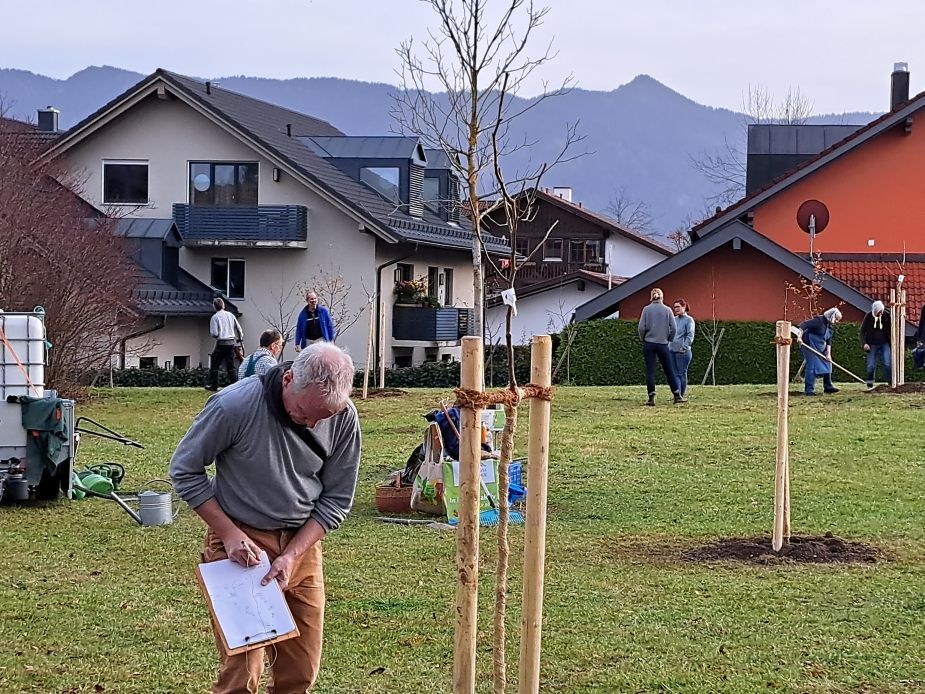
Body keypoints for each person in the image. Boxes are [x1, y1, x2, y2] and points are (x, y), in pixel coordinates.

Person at [169, 343, 361, 693]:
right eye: (305, 414)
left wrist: (293, 555)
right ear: (288, 379)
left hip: (302, 547)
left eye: (325, 417)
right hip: (239, 545)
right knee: (241, 673)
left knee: (300, 671)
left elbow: (336, 499)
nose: (314, 423)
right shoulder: (234, 406)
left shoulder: (344, 416)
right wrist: (227, 533)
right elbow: (185, 471)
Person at [638, 287, 685, 406]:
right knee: (669, 369)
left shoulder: (646, 310)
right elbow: (673, 328)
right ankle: (676, 395)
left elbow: (641, 328)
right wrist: (669, 338)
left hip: (649, 343)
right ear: (662, 296)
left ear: (651, 297)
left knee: (650, 370)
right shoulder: (667, 310)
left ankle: (651, 397)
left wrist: (643, 338)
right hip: (663, 343)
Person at [798, 307, 842, 396]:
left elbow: (829, 340)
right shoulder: (818, 321)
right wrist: (799, 337)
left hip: (820, 347)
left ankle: (828, 387)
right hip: (808, 345)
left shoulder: (830, 326)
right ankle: (809, 390)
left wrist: (828, 354)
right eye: (836, 319)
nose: (836, 322)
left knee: (828, 362)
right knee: (812, 365)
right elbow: (803, 325)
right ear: (832, 316)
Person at [207, 297, 244, 391]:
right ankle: (235, 385)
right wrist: (240, 339)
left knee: (214, 364)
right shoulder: (230, 315)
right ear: (223, 305)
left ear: (214, 306)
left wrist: (218, 335)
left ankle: (214, 385)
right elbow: (239, 329)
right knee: (230, 365)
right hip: (232, 343)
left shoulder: (215, 317)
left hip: (221, 343)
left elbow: (214, 333)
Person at [860, 300, 892, 391]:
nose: (881, 313)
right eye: (879, 312)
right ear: (875, 311)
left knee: (887, 363)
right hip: (872, 344)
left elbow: (892, 325)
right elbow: (862, 331)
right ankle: (870, 385)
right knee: (871, 365)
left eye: (882, 311)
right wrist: (864, 343)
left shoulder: (886, 316)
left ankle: (890, 382)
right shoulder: (869, 317)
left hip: (884, 343)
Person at [669, 298, 696, 398]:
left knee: (681, 373)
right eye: (675, 307)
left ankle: (680, 394)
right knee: (674, 373)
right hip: (671, 350)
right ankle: (677, 395)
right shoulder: (674, 320)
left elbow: (690, 335)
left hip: (683, 352)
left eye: (678, 307)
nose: (676, 309)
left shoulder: (689, 320)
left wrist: (684, 347)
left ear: (684, 307)